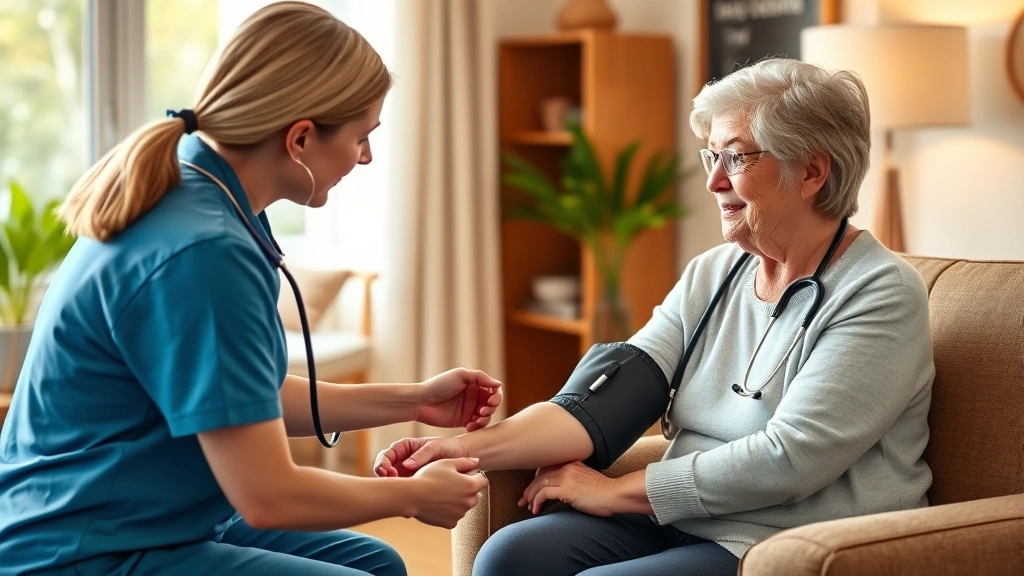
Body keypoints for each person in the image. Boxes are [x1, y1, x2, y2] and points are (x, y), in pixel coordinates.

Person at [375, 57, 935, 576]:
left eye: (735, 157)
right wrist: (462, 449)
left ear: (812, 171)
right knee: (511, 556)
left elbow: (789, 460)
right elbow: (604, 402)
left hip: (786, 537)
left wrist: (613, 491)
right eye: (711, 156)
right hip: (681, 520)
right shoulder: (715, 273)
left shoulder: (879, 293)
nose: (714, 180)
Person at [0, 3, 497, 575]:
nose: (366, 157)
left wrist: (413, 400)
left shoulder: (207, 195)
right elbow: (268, 497)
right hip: (84, 547)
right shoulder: (202, 251)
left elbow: (241, 394)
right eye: (362, 136)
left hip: (139, 514)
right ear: (301, 139)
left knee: (376, 563)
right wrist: (412, 497)